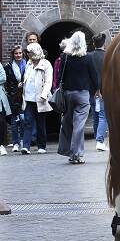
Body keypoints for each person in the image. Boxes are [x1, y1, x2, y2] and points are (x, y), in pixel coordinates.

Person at [56, 31, 99, 164]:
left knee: (67, 123)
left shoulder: (65, 57)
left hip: (68, 94)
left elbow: (59, 77)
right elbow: (95, 77)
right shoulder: (88, 58)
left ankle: (66, 150)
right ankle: (76, 154)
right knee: (79, 126)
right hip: (82, 94)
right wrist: (95, 90)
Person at [21, 42, 52, 154]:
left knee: (40, 123)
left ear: (34, 52)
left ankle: (42, 146)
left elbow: (48, 81)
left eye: (29, 52)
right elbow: (26, 77)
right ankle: (26, 146)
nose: (27, 54)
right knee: (27, 121)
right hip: (28, 98)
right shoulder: (28, 63)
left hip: (40, 98)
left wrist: (44, 94)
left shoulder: (46, 64)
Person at [5, 46, 27, 152]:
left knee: (23, 119)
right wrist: (11, 91)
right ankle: (15, 143)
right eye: (16, 53)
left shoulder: (27, 65)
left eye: (20, 53)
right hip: (13, 96)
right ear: (13, 55)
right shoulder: (8, 66)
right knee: (14, 121)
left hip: (24, 95)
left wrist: (23, 84)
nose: (18, 55)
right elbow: (6, 82)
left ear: (22, 54)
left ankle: (23, 140)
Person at [89, 33, 108, 150]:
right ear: (104, 43)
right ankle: (99, 140)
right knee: (102, 116)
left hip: (92, 91)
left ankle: (97, 137)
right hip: (103, 90)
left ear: (93, 43)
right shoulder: (108, 56)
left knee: (96, 116)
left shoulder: (89, 56)